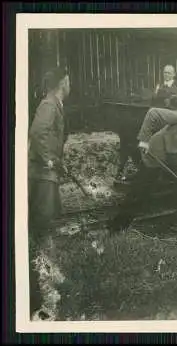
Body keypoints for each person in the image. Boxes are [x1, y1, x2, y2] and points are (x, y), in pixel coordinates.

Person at [107, 103, 177, 234]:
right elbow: (153, 113)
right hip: (156, 153)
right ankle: (118, 227)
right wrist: (144, 141)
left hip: (176, 161)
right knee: (140, 191)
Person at [28, 66, 71, 319]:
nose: (70, 84)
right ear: (63, 83)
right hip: (42, 174)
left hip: (47, 172)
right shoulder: (49, 105)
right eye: (69, 80)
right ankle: (44, 277)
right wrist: (48, 160)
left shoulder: (55, 104)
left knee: (46, 222)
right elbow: (37, 132)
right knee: (43, 225)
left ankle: (46, 271)